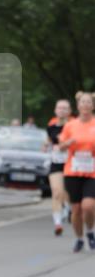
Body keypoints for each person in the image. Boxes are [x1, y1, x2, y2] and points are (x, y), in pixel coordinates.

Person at [59, 91, 95, 253]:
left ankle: (90, 231)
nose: (85, 105)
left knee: (88, 206)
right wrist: (67, 143)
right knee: (76, 209)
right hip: (73, 171)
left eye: (89, 102)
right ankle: (79, 238)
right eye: (83, 102)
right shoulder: (70, 125)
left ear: (93, 106)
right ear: (78, 106)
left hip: (92, 172)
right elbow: (60, 146)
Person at [44, 99, 72, 235]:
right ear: (55, 110)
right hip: (56, 162)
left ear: (69, 111)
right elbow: (48, 142)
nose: (62, 110)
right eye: (59, 108)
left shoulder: (73, 126)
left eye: (65, 108)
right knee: (56, 192)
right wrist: (46, 146)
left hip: (71, 163)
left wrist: (66, 146)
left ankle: (68, 207)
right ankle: (58, 223)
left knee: (68, 192)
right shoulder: (51, 127)